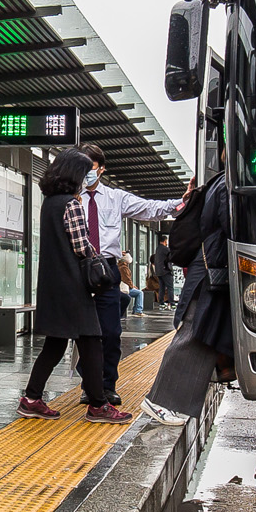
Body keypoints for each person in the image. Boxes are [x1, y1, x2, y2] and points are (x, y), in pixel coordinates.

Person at [76, 144, 186, 409]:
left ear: (101, 170)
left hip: (107, 269)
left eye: (90, 168)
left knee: (111, 332)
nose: (86, 174)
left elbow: (150, 208)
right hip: (78, 268)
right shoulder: (72, 196)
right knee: (85, 334)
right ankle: (89, 384)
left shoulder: (115, 197)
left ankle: (107, 385)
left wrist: (181, 203)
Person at [20, 150, 123, 421]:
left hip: (53, 284)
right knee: (91, 340)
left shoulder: (50, 203)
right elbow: (81, 246)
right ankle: (98, 404)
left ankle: (31, 398)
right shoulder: (72, 204)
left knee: (55, 344)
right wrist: (99, 261)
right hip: (73, 286)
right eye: (83, 172)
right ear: (74, 174)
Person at [142, 153, 235, 427]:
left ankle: (174, 401)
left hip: (209, 269)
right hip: (210, 270)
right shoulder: (225, 185)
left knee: (203, 329)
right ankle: (161, 402)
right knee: (195, 329)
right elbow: (230, 225)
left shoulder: (218, 183)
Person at [150, 235, 174, 310]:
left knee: (162, 287)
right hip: (165, 270)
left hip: (159, 271)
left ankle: (161, 303)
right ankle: (172, 303)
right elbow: (172, 256)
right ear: (165, 241)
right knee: (170, 287)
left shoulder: (157, 249)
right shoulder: (165, 249)